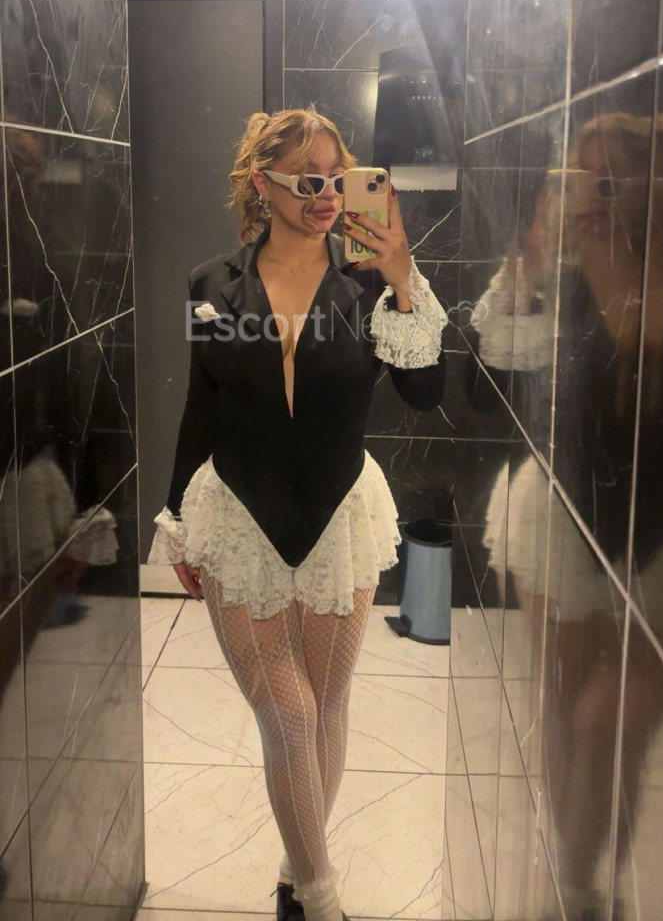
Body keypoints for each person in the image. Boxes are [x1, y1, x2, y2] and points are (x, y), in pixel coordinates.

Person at [148, 107, 449, 921]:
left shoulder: (367, 285)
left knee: (326, 704)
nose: (325, 197)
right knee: (286, 710)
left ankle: (294, 863)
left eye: (337, 180)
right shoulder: (210, 285)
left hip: (339, 511)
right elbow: (202, 406)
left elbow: (425, 394)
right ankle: (318, 898)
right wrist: (175, 521)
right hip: (235, 513)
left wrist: (401, 277)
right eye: (308, 181)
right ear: (263, 184)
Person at [471, 109, 663, 921]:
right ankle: (577, 881)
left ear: (654, 187)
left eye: (606, 181)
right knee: (564, 710)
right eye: (577, 177)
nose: (587, 196)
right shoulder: (560, 270)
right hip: (562, 513)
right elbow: (490, 371)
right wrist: (524, 263)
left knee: (611, 721)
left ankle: (590, 871)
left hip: (662, 535)